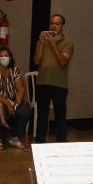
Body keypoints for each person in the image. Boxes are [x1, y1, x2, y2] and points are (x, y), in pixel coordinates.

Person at [32, 12, 74, 144]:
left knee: (60, 114)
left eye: (57, 24)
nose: (54, 26)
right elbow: (37, 61)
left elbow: (62, 61)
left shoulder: (67, 42)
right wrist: (41, 43)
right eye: (52, 23)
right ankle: (39, 141)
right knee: (42, 114)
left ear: (62, 26)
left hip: (59, 84)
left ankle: (61, 141)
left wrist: (53, 43)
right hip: (43, 82)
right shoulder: (43, 40)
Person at [0, 46, 32, 148]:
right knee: (3, 112)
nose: (4, 58)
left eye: (6, 56)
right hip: (0, 100)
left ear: (10, 57)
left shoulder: (15, 70)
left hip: (14, 99)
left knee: (25, 111)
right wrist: (8, 104)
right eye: (1, 56)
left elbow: (20, 89)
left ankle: (15, 137)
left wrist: (17, 103)